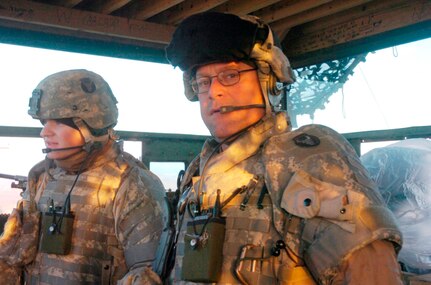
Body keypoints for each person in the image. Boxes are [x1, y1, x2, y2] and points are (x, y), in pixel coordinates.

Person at [165, 12, 404, 285]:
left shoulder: (302, 156)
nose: (213, 92)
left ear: (268, 80)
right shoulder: (199, 170)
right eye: (204, 82)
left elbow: (372, 273)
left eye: (230, 75)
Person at [0, 69, 166, 284]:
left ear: (92, 125)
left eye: (57, 122)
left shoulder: (132, 185)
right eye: (43, 122)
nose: (45, 132)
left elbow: (146, 276)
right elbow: (11, 259)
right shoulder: (41, 178)